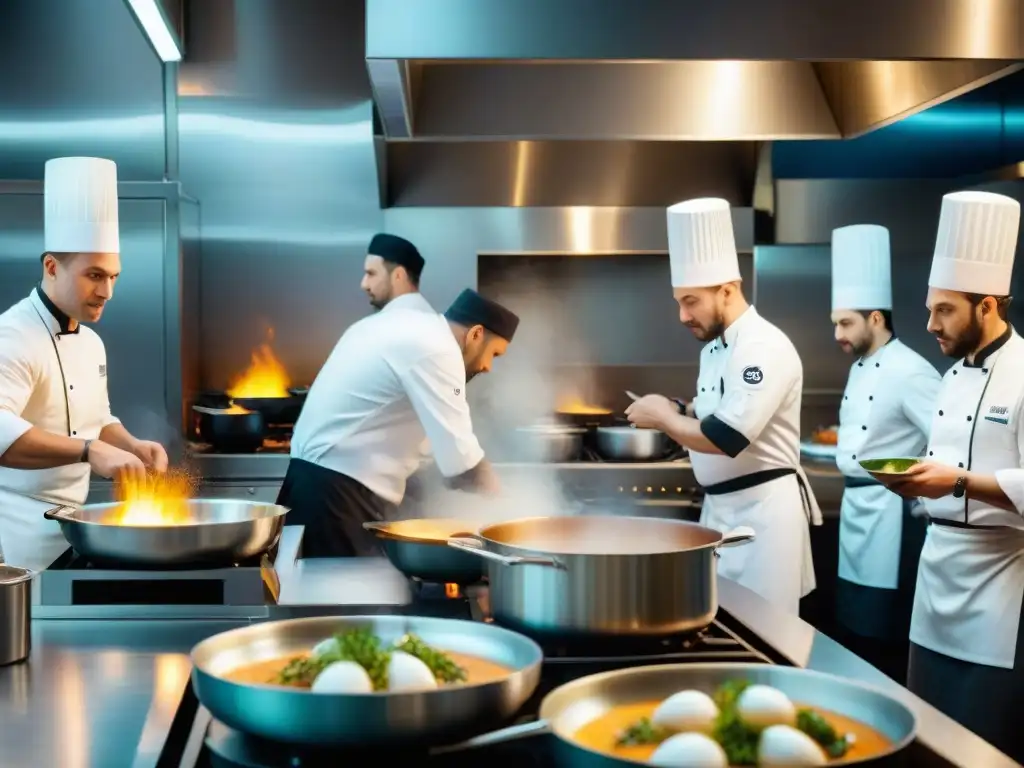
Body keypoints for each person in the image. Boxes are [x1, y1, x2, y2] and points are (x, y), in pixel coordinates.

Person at [626, 197, 822, 616]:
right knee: (723, 625)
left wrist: (663, 418)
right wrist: (679, 406)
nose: (682, 315)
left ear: (728, 290)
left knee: (766, 636)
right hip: (722, 513)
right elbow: (715, 408)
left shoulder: (762, 346)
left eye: (691, 300)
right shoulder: (715, 347)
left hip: (764, 520)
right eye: (679, 300)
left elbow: (727, 436)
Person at [881, 190, 1024, 762]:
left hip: (999, 585)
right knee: (928, 738)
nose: (929, 324)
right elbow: (944, 472)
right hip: (935, 575)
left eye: (944, 310)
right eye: (929, 308)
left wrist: (958, 481)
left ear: (986, 306)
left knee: (983, 745)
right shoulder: (951, 379)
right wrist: (916, 481)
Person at [0, 157, 169, 570]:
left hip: (70, 527)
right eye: (95, 275)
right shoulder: (12, 335)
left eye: (114, 277)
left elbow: (95, 417)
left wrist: (129, 445)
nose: (107, 291)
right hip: (13, 533)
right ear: (52, 267)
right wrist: (91, 452)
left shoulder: (91, 342)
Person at [280, 287, 518, 557]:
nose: (488, 367)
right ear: (476, 334)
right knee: (345, 596)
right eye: (494, 354)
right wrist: (510, 508)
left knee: (315, 591)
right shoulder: (440, 349)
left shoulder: (410, 328)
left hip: (312, 485)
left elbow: (426, 445)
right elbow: (462, 461)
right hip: (336, 497)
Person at [828, 224, 941, 682]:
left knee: (883, 639)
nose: (837, 333)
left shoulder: (911, 371)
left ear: (876, 318)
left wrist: (920, 489)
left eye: (845, 322)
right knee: (853, 633)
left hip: (891, 520)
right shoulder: (859, 366)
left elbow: (948, 438)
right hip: (857, 510)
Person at [360, 233, 425, 310]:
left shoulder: (374, 322)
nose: (364, 285)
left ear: (399, 275)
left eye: (371, 274)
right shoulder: (439, 320)